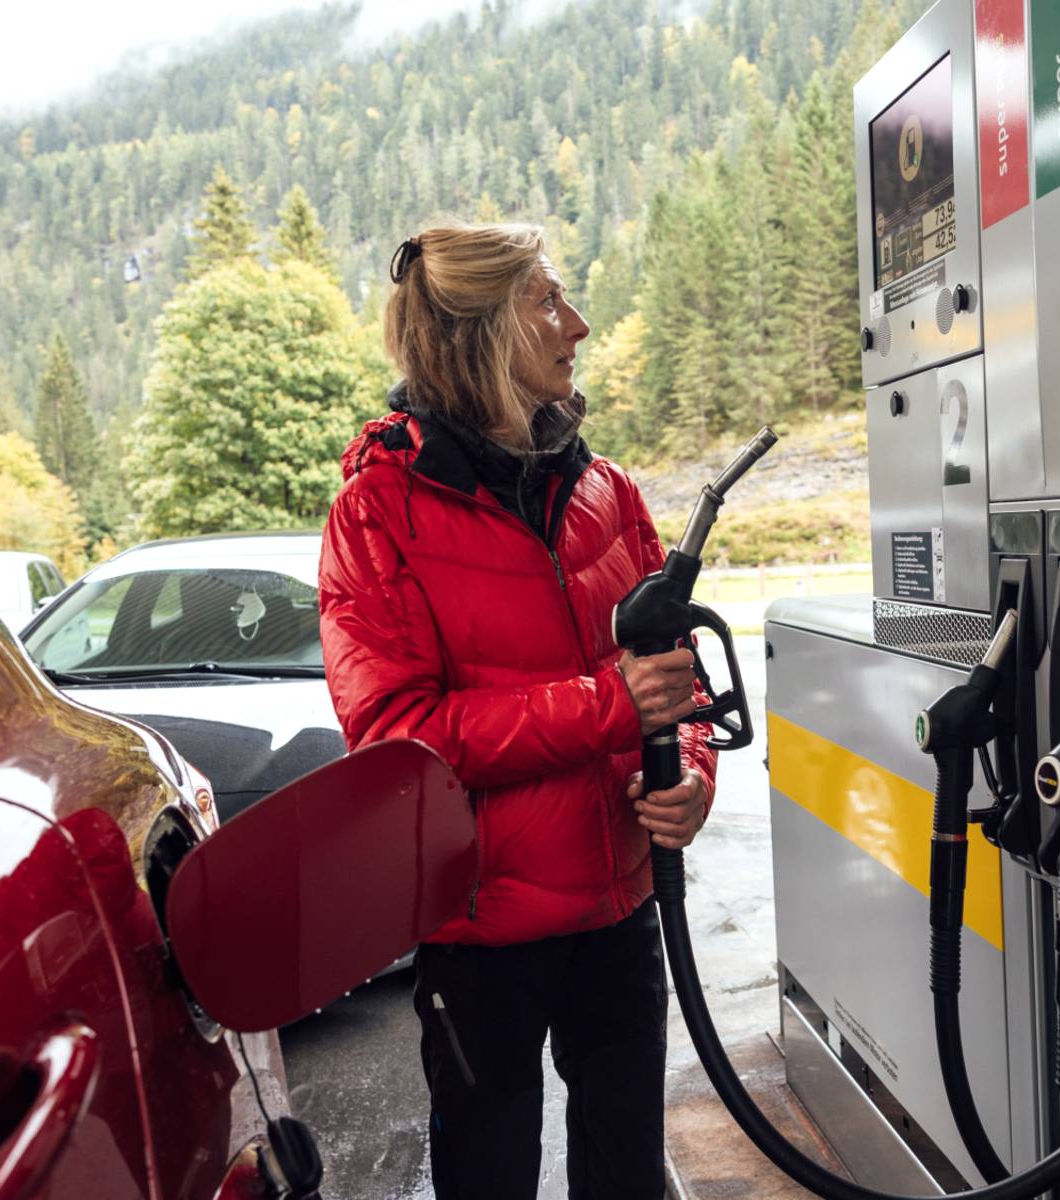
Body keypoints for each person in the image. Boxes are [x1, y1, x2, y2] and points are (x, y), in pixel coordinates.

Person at [317, 222, 718, 1199]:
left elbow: (680, 681)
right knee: (487, 1175)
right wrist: (604, 705)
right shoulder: (377, 514)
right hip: (478, 933)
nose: (576, 324)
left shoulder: (608, 491)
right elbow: (400, 738)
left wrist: (694, 772)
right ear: (479, 337)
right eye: (547, 302)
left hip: (621, 911)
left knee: (628, 1178)